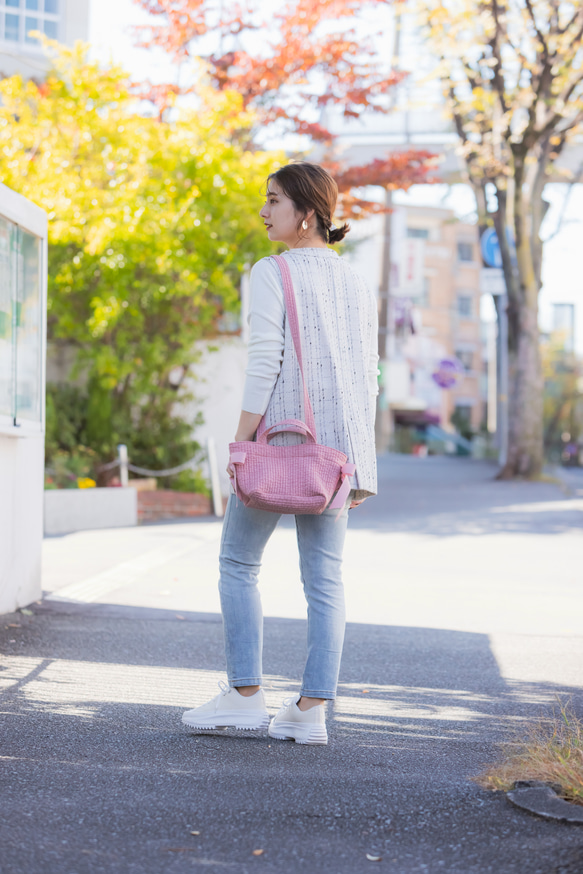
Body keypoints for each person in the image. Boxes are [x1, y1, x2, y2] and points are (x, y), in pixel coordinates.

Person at [182, 161, 378, 745]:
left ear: (307, 214)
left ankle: (244, 695)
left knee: (238, 563)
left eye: (273, 201)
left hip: (276, 446)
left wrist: (241, 442)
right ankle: (311, 710)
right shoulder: (356, 282)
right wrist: (358, 468)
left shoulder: (272, 272)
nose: (264, 211)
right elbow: (367, 376)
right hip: (334, 456)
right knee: (326, 580)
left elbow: (265, 361)